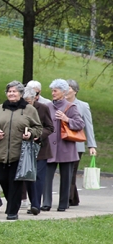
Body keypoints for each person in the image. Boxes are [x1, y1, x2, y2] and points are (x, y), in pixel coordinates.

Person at [0, 81, 43, 220]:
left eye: (14, 91)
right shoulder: (0, 109)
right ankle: (12, 203)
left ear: (21, 94)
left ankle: (12, 212)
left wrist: (30, 134)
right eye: (9, 91)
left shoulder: (29, 110)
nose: (11, 94)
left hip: (20, 153)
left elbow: (38, 128)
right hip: (2, 152)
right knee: (4, 180)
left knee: (15, 182)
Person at [41, 79, 85, 212]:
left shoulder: (70, 107)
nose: (53, 93)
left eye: (55, 90)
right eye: (52, 90)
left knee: (66, 178)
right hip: (50, 148)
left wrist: (67, 119)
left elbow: (80, 124)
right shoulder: (47, 106)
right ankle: (46, 203)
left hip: (66, 148)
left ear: (63, 92)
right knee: (46, 177)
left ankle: (63, 204)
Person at [22, 86, 54, 215]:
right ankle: (33, 201)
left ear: (35, 98)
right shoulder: (19, 108)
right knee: (28, 177)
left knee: (39, 177)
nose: (27, 104)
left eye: (29, 101)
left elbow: (50, 127)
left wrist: (38, 135)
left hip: (40, 148)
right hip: (24, 148)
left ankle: (35, 205)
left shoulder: (43, 108)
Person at [65, 79, 97, 207]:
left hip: (76, 144)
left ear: (75, 91)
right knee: (66, 172)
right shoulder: (58, 104)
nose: (66, 91)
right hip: (62, 144)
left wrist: (92, 145)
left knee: (71, 173)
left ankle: (67, 199)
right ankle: (74, 199)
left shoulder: (83, 105)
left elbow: (89, 126)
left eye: (69, 88)